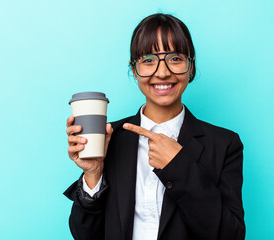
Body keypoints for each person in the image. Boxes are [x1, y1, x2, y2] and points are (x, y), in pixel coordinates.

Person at [64, 13, 245, 240]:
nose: (162, 72)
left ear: (191, 66)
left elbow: (231, 235)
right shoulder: (109, 138)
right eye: (148, 60)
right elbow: (85, 235)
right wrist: (92, 174)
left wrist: (178, 166)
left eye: (175, 58)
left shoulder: (224, 144)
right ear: (134, 68)